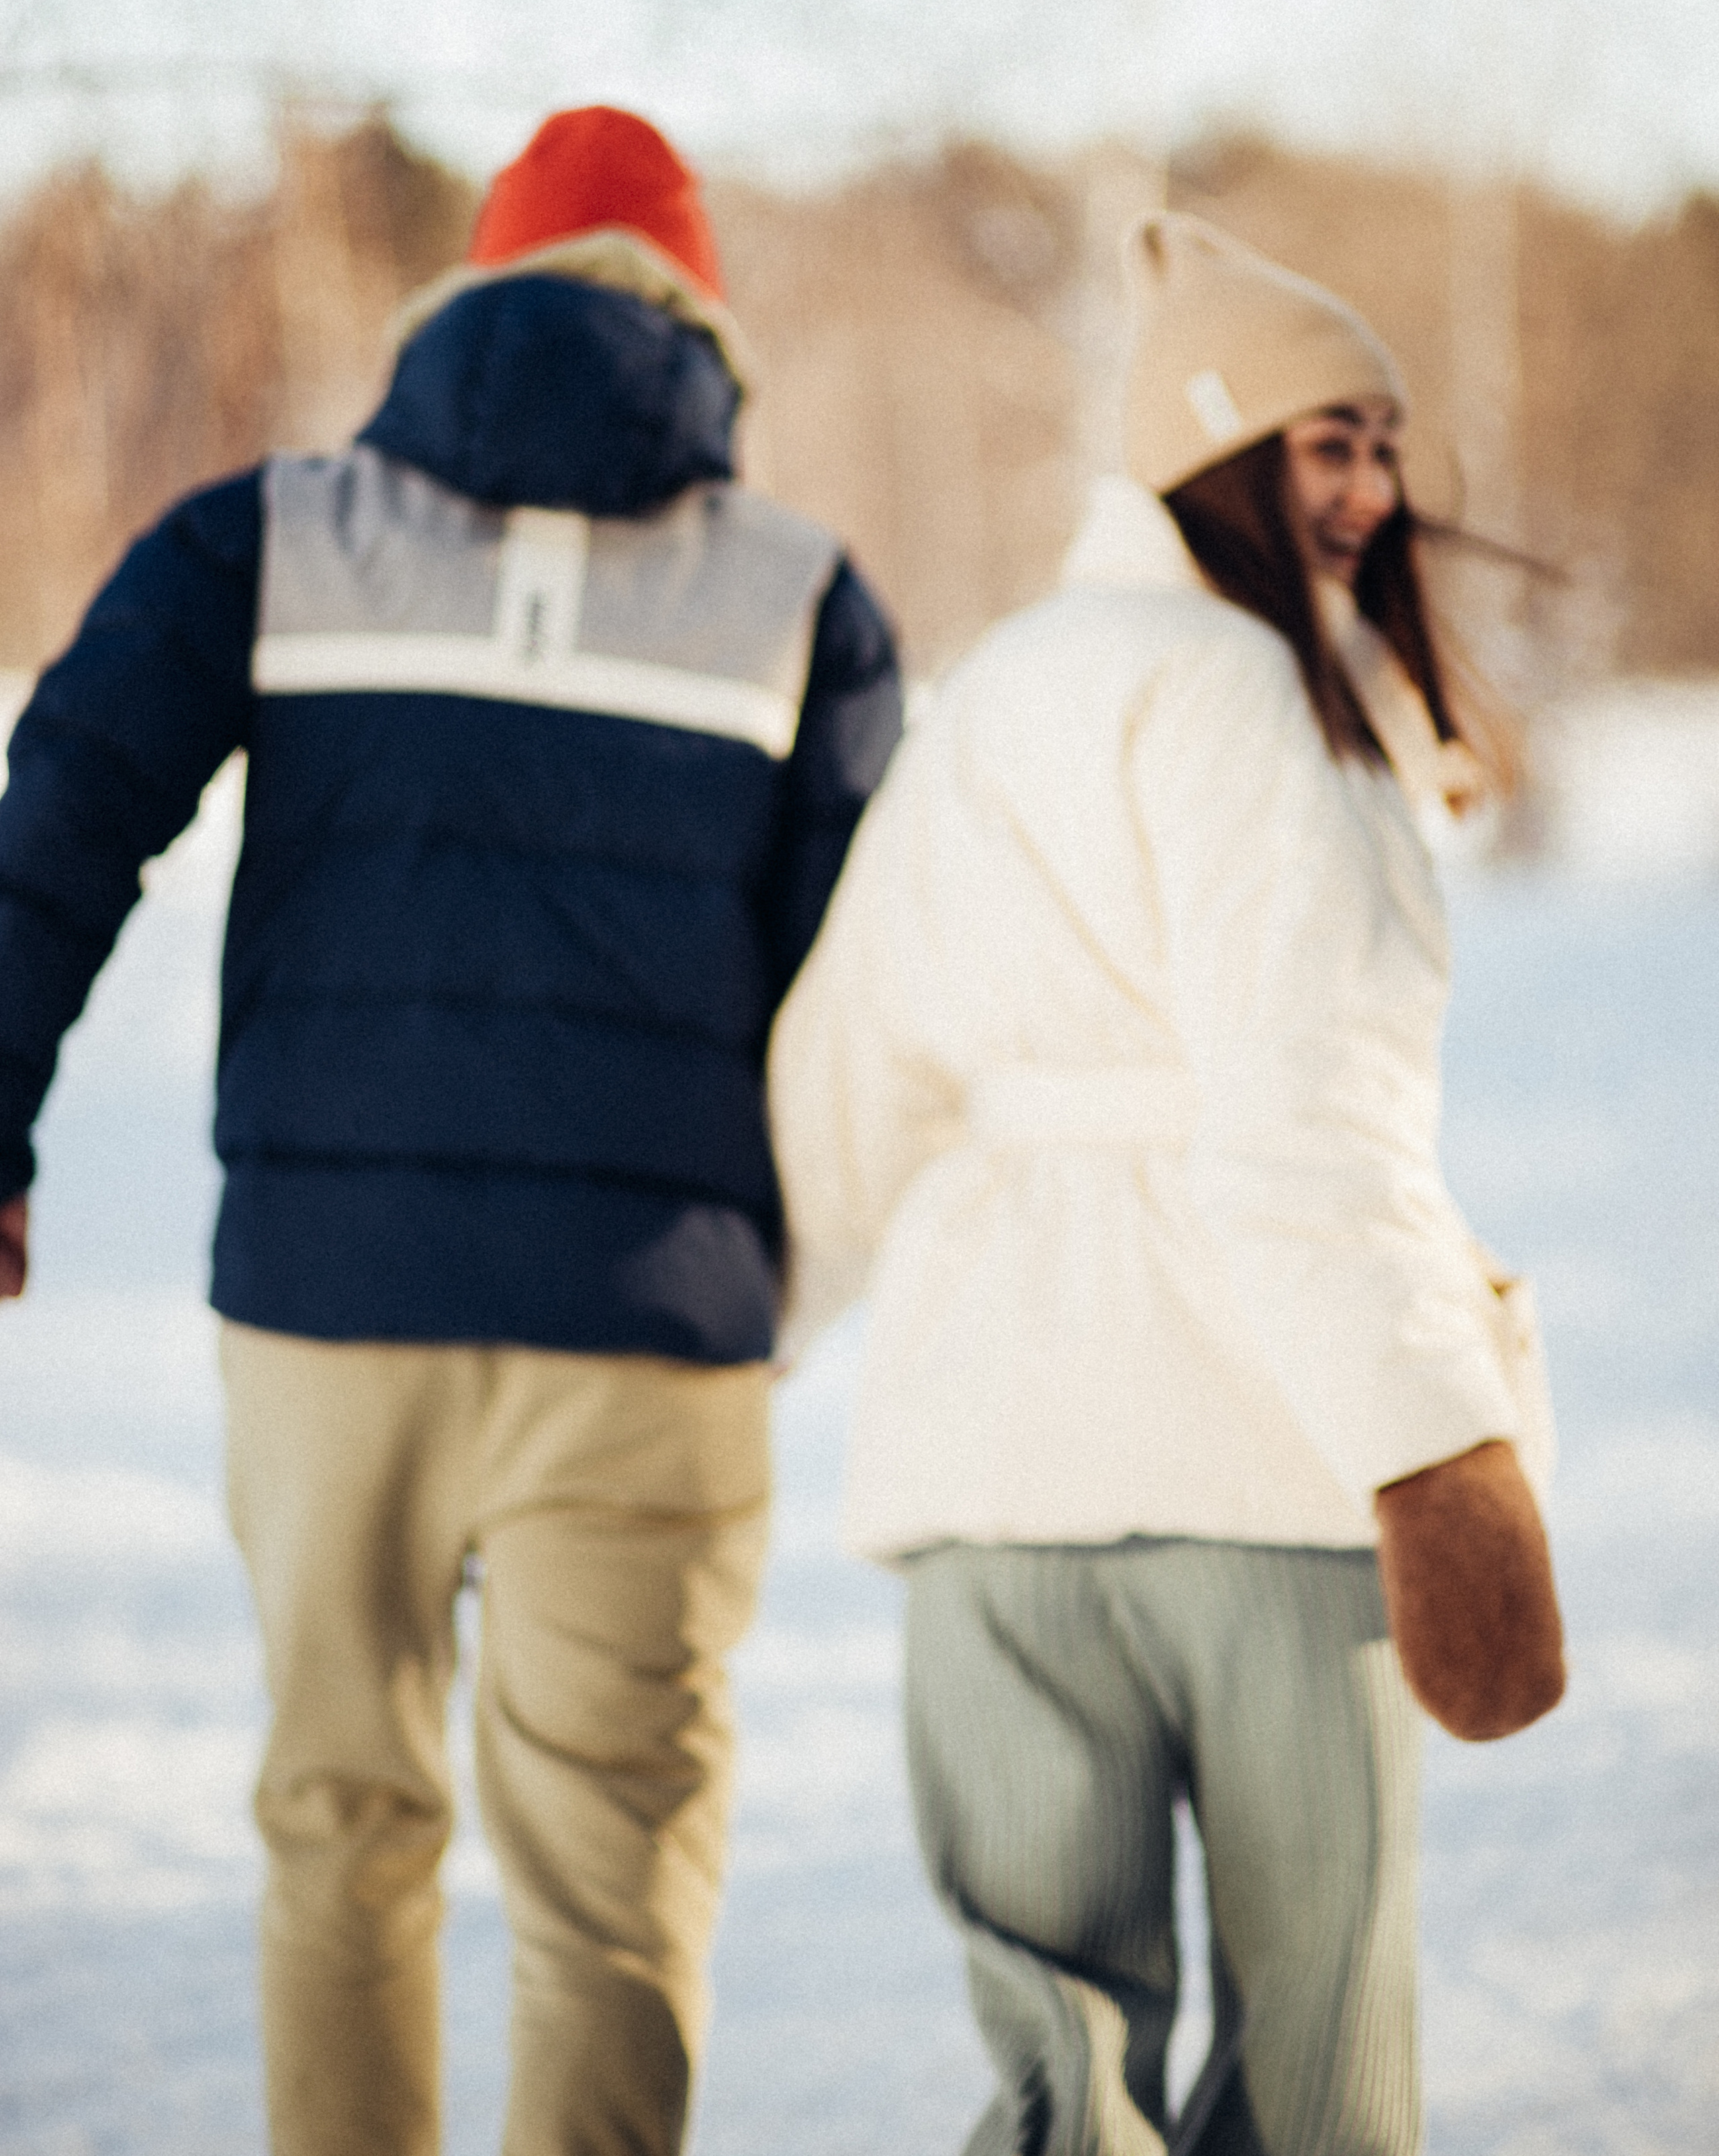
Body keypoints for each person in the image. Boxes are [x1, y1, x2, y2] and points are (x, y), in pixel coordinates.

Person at [0, 106, 902, 2156]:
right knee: (613, 1887)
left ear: (465, 295)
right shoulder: (803, 599)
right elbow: (862, 1002)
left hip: (333, 1313)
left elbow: (57, 819)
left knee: (342, 1827)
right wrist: (787, 1283)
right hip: (652, 1336)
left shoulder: (271, 535)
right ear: (701, 324)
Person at [766, 212, 1563, 2156]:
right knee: (1322, 2072)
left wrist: (758, 1321)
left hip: (987, 1468)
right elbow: (1310, 1116)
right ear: (1210, 451)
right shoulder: (1266, 703)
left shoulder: (1001, 691)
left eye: (1383, 440)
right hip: (1266, 1464)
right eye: (1324, 442)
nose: (1372, 487)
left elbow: (852, 1064)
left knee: (1060, 2063)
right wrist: (1436, 1449)